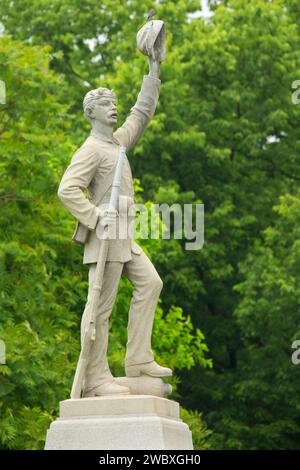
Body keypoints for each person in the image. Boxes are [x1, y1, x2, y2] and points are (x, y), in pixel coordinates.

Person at [57, 20, 172, 397]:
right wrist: (94, 216)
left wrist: (153, 69)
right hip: (104, 240)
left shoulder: (118, 144)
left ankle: (138, 359)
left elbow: (141, 113)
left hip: (124, 237)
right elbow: (67, 189)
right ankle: (96, 378)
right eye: (107, 104)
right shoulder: (90, 150)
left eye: (113, 103)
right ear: (91, 112)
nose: (114, 108)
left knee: (150, 283)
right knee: (100, 310)